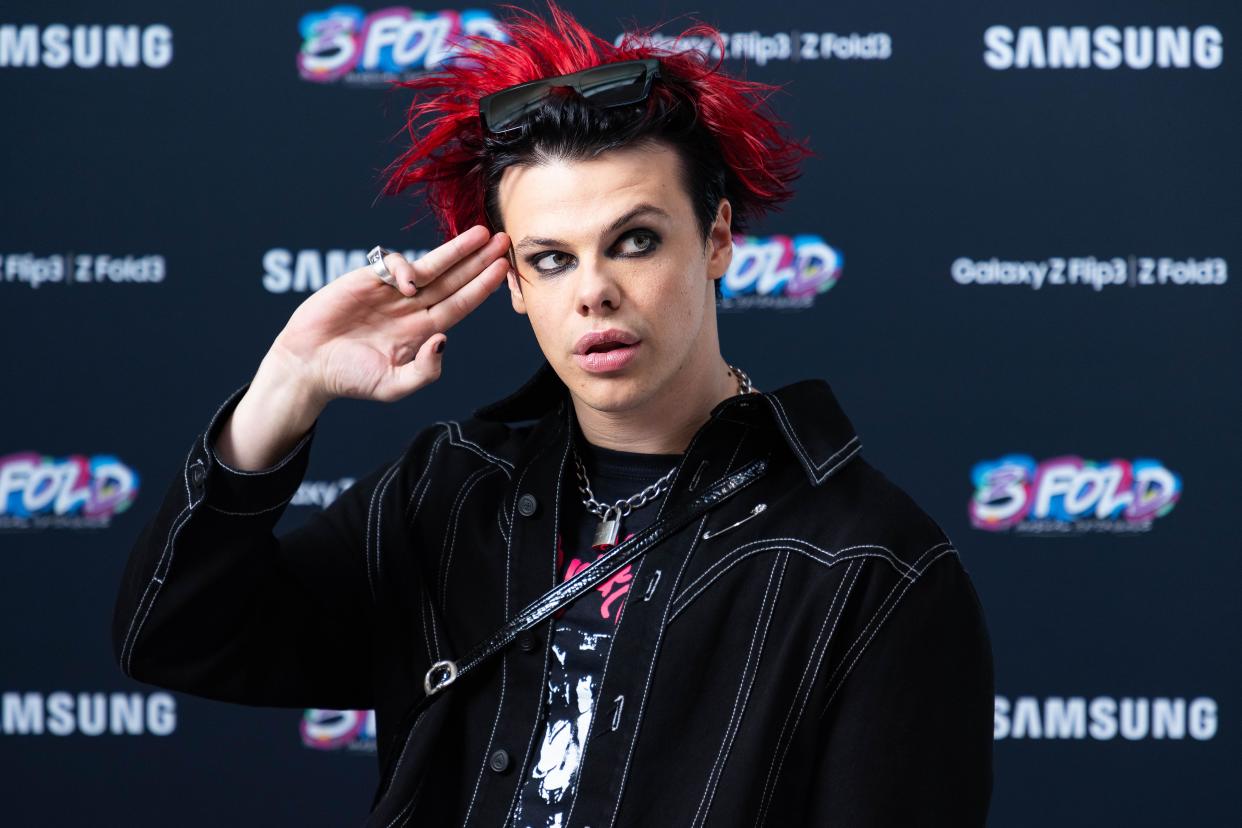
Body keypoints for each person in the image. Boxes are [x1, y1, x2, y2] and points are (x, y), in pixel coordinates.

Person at [111, 2, 994, 825]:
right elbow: (173, 636)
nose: (596, 294)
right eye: (553, 259)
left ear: (719, 238)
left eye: (635, 241)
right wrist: (287, 389)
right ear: (517, 287)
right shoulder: (450, 492)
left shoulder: (869, 564)